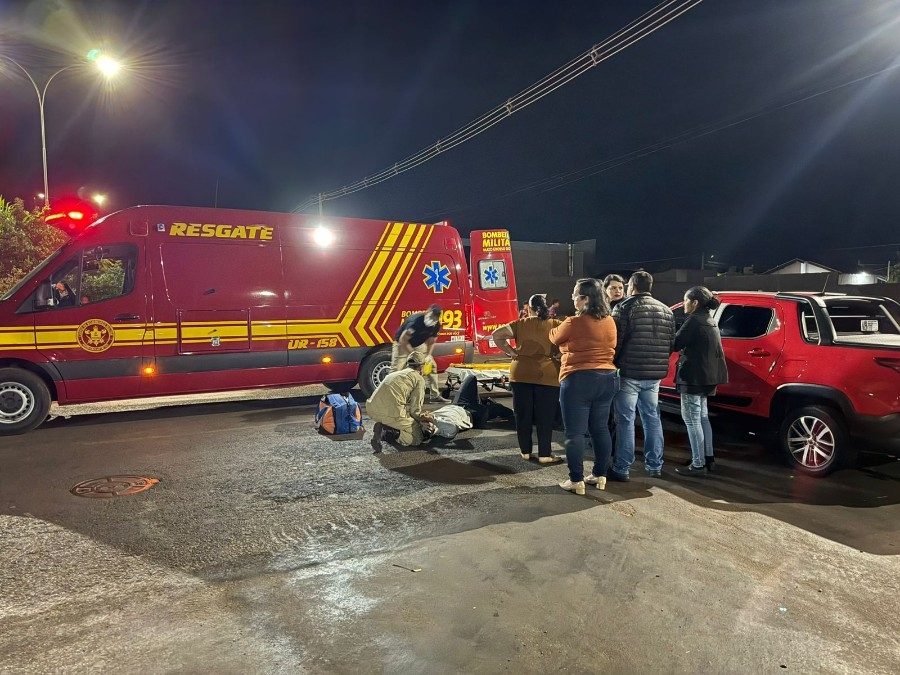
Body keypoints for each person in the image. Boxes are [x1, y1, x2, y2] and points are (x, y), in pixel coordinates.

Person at [549, 278, 618, 495]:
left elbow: (553, 337)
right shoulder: (610, 321)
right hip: (608, 377)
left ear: (585, 298)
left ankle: (576, 479)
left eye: (575, 295)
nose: (572, 299)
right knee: (600, 429)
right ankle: (599, 475)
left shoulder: (573, 322)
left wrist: (566, 344)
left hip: (578, 378)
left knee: (575, 433)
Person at [609, 271, 675, 480]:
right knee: (652, 418)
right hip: (655, 375)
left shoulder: (625, 307)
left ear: (631, 286)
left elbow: (616, 341)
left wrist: (613, 362)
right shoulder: (666, 310)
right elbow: (671, 344)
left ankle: (622, 468)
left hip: (630, 372)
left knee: (626, 420)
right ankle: (654, 465)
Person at [492, 294, 562, 463]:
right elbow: (574, 340)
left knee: (522, 415)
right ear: (548, 308)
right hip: (547, 374)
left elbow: (497, 335)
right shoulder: (556, 325)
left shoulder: (520, 324)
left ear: (528, 308)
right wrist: (559, 353)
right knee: (545, 416)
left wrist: (511, 352)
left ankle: (525, 452)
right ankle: (545, 454)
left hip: (520, 373)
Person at [672, 286, 728, 477]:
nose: (684, 304)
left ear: (694, 303)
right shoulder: (709, 320)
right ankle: (708, 457)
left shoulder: (694, 321)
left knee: (692, 419)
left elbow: (675, 344)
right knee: (702, 417)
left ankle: (697, 464)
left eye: (686, 300)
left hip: (693, 377)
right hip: (708, 376)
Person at [367, 351, 435, 451]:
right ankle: (389, 433)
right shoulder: (419, 379)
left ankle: (384, 426)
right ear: (421, 366)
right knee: (417, 437)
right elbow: (414, 411)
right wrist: (421, 422)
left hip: (372, 409)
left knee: (401, 419)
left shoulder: (395, 374)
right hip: (390, 414)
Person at [392, 304, 448, 403]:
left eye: (433, 319)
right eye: (430, 317)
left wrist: (429, 355)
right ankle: (390, 396)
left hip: (418, 344)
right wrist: (414, 355)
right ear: (427, 312)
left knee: (431, 366)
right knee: (397, 369)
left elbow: (431, 341)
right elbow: (403, 340)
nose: (431, 320)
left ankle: (435, 395)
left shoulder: (436, 325)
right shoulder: (415, 322)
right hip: (402, 345)